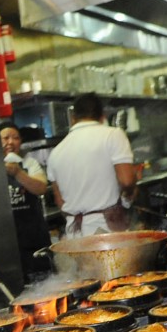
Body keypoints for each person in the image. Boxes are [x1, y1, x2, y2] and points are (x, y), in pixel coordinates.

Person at [46, 93, 138, 238]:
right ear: (103, 116)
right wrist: (130, 190)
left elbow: (60, 201)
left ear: (73, 118)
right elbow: (126, 180)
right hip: (107, 232)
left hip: (74, 235)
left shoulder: (55, 152)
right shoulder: (113, 135)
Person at [0, 122, 52, 281]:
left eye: (15, 138)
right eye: (6, 138)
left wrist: (18, 173)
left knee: (44, 282)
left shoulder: (30, 163)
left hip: (33, 238)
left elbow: (41, 188)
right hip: (5, 242)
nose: (11, 142)